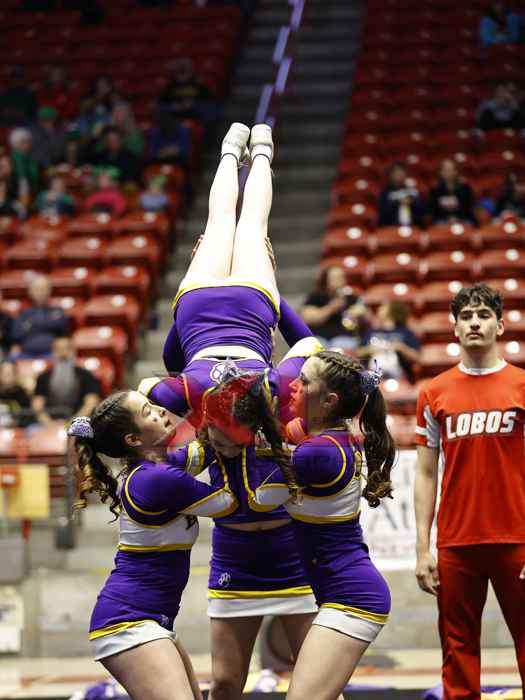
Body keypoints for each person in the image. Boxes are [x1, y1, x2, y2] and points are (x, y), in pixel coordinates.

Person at [142, 367, 318, 700]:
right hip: (234, 563)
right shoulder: (205, 441)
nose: (225, 446)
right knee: (224, 683)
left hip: (291, 559)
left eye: (234, 440)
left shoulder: (282, 431)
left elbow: (309, 347)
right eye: (218, 437)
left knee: (317, 684)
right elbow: (159, 464)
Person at [68, 390, 238, 700]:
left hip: (149, 619)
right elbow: (229, 503)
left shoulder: (157, 466)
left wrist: (223, 417)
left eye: (154, 405)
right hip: (128, 621)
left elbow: (202, 452)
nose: (160, 410)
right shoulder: (156, 478)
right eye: (147, 412)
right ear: (133, 439)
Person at [251, 351, 394, 700]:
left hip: (352, 598)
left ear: (329, 401)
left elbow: (260, 499)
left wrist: (257, 438)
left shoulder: (317, 452)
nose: (293, 386)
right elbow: (306, 343)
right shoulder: (329, 439)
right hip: (340, 592)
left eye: (304, 381)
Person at [414, 284, 525, 700]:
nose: (474, 322)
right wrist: (422, 548)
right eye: (466, 316)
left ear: (500, 325)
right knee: (457, 654)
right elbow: (426, 473)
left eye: (483, 315)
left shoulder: (522, 385)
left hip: (517, 539)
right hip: (457, 544)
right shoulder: (434, 392)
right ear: (455, 327)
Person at [32, 336, 100, 426]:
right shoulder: (43, 377)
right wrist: (49, 423)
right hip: (48, 424)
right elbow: (37, 405)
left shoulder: (85, 375)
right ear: (53, 353)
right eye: (59, 349)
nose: (63, 353)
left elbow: (91, 402)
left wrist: (73, 422)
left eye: (67, 349)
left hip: (79, 422)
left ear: (74, 351)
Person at [301, 266, 368, 352]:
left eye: (341, 277)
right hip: (320, 337)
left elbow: (366, 318)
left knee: (342, 345)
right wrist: (331, 308)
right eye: (335, 278)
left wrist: (360, 314)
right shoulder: (316, 297)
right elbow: (308, 318)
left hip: (344, 338)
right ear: (326, 280)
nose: (340, 280)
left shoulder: (351, 298)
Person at [357, 300, 421, 382]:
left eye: (383, 307)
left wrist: (401, 348)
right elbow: (358, 353)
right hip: (373, 376)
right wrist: (370, 349)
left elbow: (417, 357)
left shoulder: (406, 332)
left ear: (393, 311)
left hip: (399, 378)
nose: (379, 309)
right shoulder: (372, 331)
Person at [10, 274, 69, 358]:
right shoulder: (22, 313)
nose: (40, 292)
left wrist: (32, 325)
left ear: (49, 291)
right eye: (37, 289)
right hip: (25, 354)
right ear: (30, 291)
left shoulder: (58, 311)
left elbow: (62, 328)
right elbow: (17, 335)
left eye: (43, 289)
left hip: (52, 354)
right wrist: (48, 324)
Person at [428, 159, 477, 225]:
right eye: (445, 170)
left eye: (450, 170)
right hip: (441, 220)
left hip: (462, 219)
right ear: (440, 172)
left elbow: (468, 208)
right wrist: (448, 218)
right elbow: (433, 210)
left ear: (456, 172)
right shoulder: (435, 189)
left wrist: (457, 218)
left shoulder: (465, 188)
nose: (447, 173)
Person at [377, 162, 426, 228]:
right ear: (390, 175)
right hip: (391, 227)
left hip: (413, 226)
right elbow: (382, 213)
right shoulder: (385, 192)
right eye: (396, 172)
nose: (399, 174)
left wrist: (411, 202)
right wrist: (398, 202)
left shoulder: (413, 190)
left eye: (401, 172)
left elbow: (422, 210)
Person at [0, 360, 32, 427]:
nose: (7, 376)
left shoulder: (22, 393)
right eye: (4, 373)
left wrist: (17, 423)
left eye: (11, 373)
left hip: (19, 427)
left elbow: (28, 415)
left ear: (16, 374)